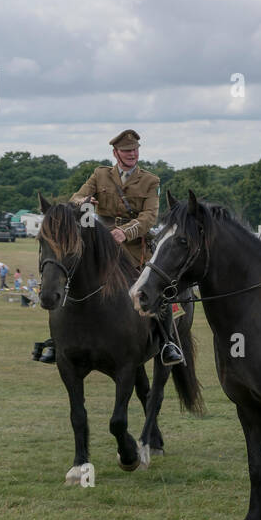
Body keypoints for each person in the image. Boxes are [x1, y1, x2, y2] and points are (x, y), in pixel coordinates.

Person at [39, 129, 176, 365]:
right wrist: (84, 202)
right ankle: (57, 340)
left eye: (134, 150)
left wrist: (125, 232)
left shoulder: (150, 180)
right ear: (116, 153)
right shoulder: (100, 175)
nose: (131, 154)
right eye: (126, 150)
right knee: (68, 278)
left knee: (157, 288)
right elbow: (75, 199)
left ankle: (166, 341)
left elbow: (149, 217)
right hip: (100, 248)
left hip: (134, 248)